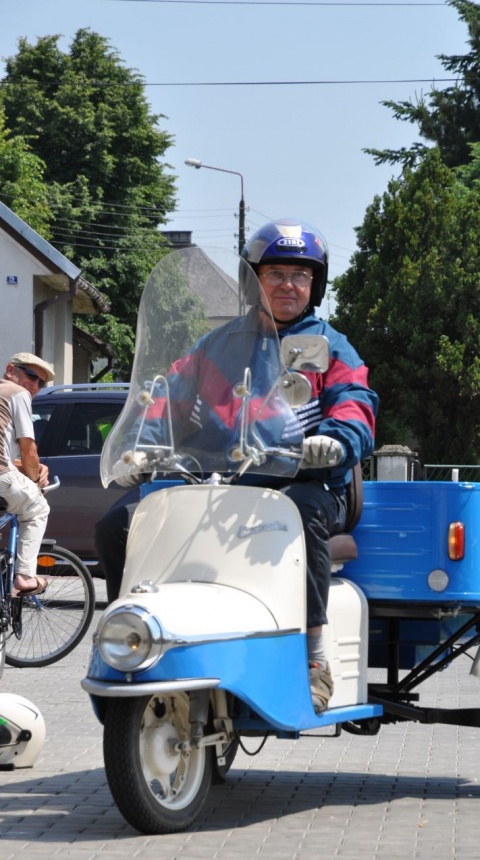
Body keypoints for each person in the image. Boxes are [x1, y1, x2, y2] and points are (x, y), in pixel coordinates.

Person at [95, 219, 378, 712]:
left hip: (302, 482)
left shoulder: (330, 346)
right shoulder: (216, 345)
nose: (289, 285)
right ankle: (132, 637)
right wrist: (142, 445)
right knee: (118, 524)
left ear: (315, 285)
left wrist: (334, 441)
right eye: (276, 273)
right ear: (253, 280)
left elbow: (356, 402)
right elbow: (170, 396)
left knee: (303, 515)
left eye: (301, 275)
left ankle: (314, 658)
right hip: (218, 484)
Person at [0, 352, 53, 596]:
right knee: (38, 507)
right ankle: (24, 576)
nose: (35, 385)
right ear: (11, 370)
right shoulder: (17, 393)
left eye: (41, 383)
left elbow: (10, 456)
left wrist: (28, 466)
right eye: (32, 376)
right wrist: (34, 478)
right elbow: (28, 447)